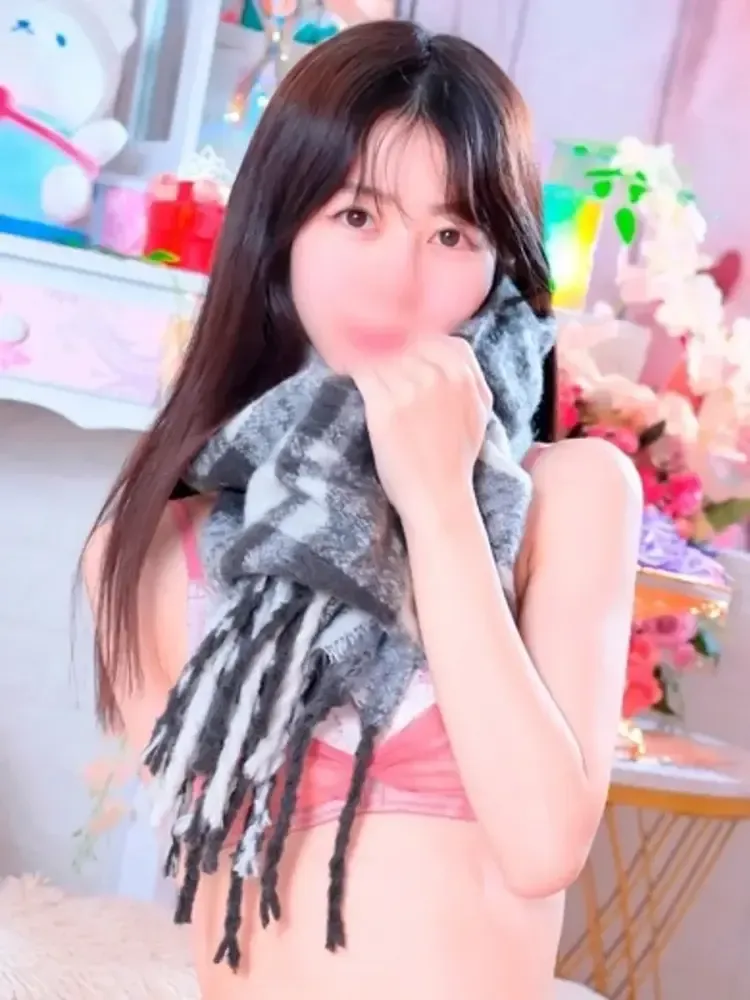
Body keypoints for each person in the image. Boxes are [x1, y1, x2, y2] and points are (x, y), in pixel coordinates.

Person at [83, 19, 642, 1000]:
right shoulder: (155, 548)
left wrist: (439, 500)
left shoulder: (574, 495)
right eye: (357, 216)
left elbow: (543, 843)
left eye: (451, 234)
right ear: (279, 232)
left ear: (501, 266)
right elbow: (210, 892)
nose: (400, 276)